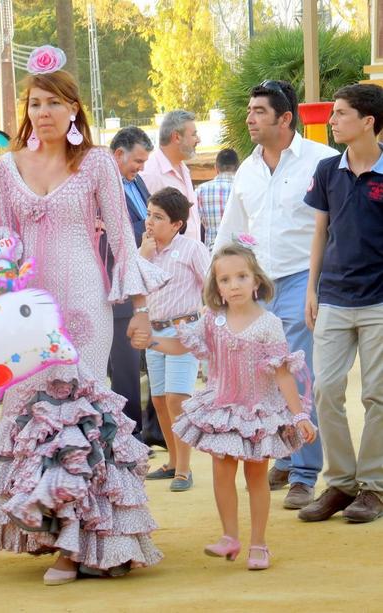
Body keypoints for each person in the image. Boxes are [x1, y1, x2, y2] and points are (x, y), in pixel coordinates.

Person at [0, 45, 169, 579]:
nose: (42, 112)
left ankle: (82, 544)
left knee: (81, 417)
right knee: (36, 417)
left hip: (85, 306)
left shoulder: (94, 163)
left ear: (73, 110)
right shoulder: (7, 165)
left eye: (52, 103)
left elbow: (122, 234)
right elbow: (2, 241)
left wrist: (140, 309)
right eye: (34, 103)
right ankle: (51, 530)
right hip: (29, 312)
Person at [133, 239, 317, 569]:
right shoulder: (212, 320)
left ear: (256, 280)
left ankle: (259, 543)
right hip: (222, 410)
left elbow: (283, 374)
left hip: (257, 411)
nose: (234, 285)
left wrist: (300, 414)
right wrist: (154, 340)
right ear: (216, 286)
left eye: (241, 276)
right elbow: (182, 346)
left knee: (256, 477)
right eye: (225, 279)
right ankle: (230, 537)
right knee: (222, 472)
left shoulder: (268, 324)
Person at [213, 80, 336, 510]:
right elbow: (231, 230)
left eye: (259, 111)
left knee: (296, 378)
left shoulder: (322, 162)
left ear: (285, 119)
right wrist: (218, 286)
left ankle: (304, 473)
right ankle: (284, 458)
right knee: (261, 380)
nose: (249, 117)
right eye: (249, 110)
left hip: (304, 281)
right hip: (257, 287)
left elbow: (337, 225)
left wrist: (320, 286)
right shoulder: (246, 169)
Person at [299, 83, 383, 524]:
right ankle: (340, 484)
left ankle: (373, 487)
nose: (332, 121)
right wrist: (311, 289)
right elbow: (320, 232)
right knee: (325, 390)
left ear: (368, 121)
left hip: (379, 301)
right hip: (332, 296)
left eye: (340, 114)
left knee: (377, 396)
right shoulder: (328, 170)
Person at [140, 187, 210, 491]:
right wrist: (142, 257)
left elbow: (211, 285)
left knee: (176, 398)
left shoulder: (192, 249)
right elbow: (133, 289)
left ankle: (184, 468)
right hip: (154, 333)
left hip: (184, 331)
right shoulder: (144, 250)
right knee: (158, 399)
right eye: (148, 214)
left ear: (177, 224)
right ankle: (171, 463)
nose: (150, 222)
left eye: (158, 217)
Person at [108, 126, 163, 446]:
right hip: (120, 288)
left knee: (146, 362)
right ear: (118, 154)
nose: (141, 168)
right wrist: (148, 230)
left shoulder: (137, 182)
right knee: (126, 368)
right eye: (138, 161)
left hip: (144, 283)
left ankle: (150, 431)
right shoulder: (103, 189)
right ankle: (130, 435)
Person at [140, 110, 202, 241]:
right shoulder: (151, 173)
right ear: (177, 137)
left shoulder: (182, 168)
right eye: (194, 134)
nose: (198, 140)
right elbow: (148, 226)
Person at [196, 148, 239, 251]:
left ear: (216, 168)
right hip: (241, 253)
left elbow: (194, 223)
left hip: (212, 252)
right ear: (238, 167)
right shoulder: (245, 188)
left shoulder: (200, 190)